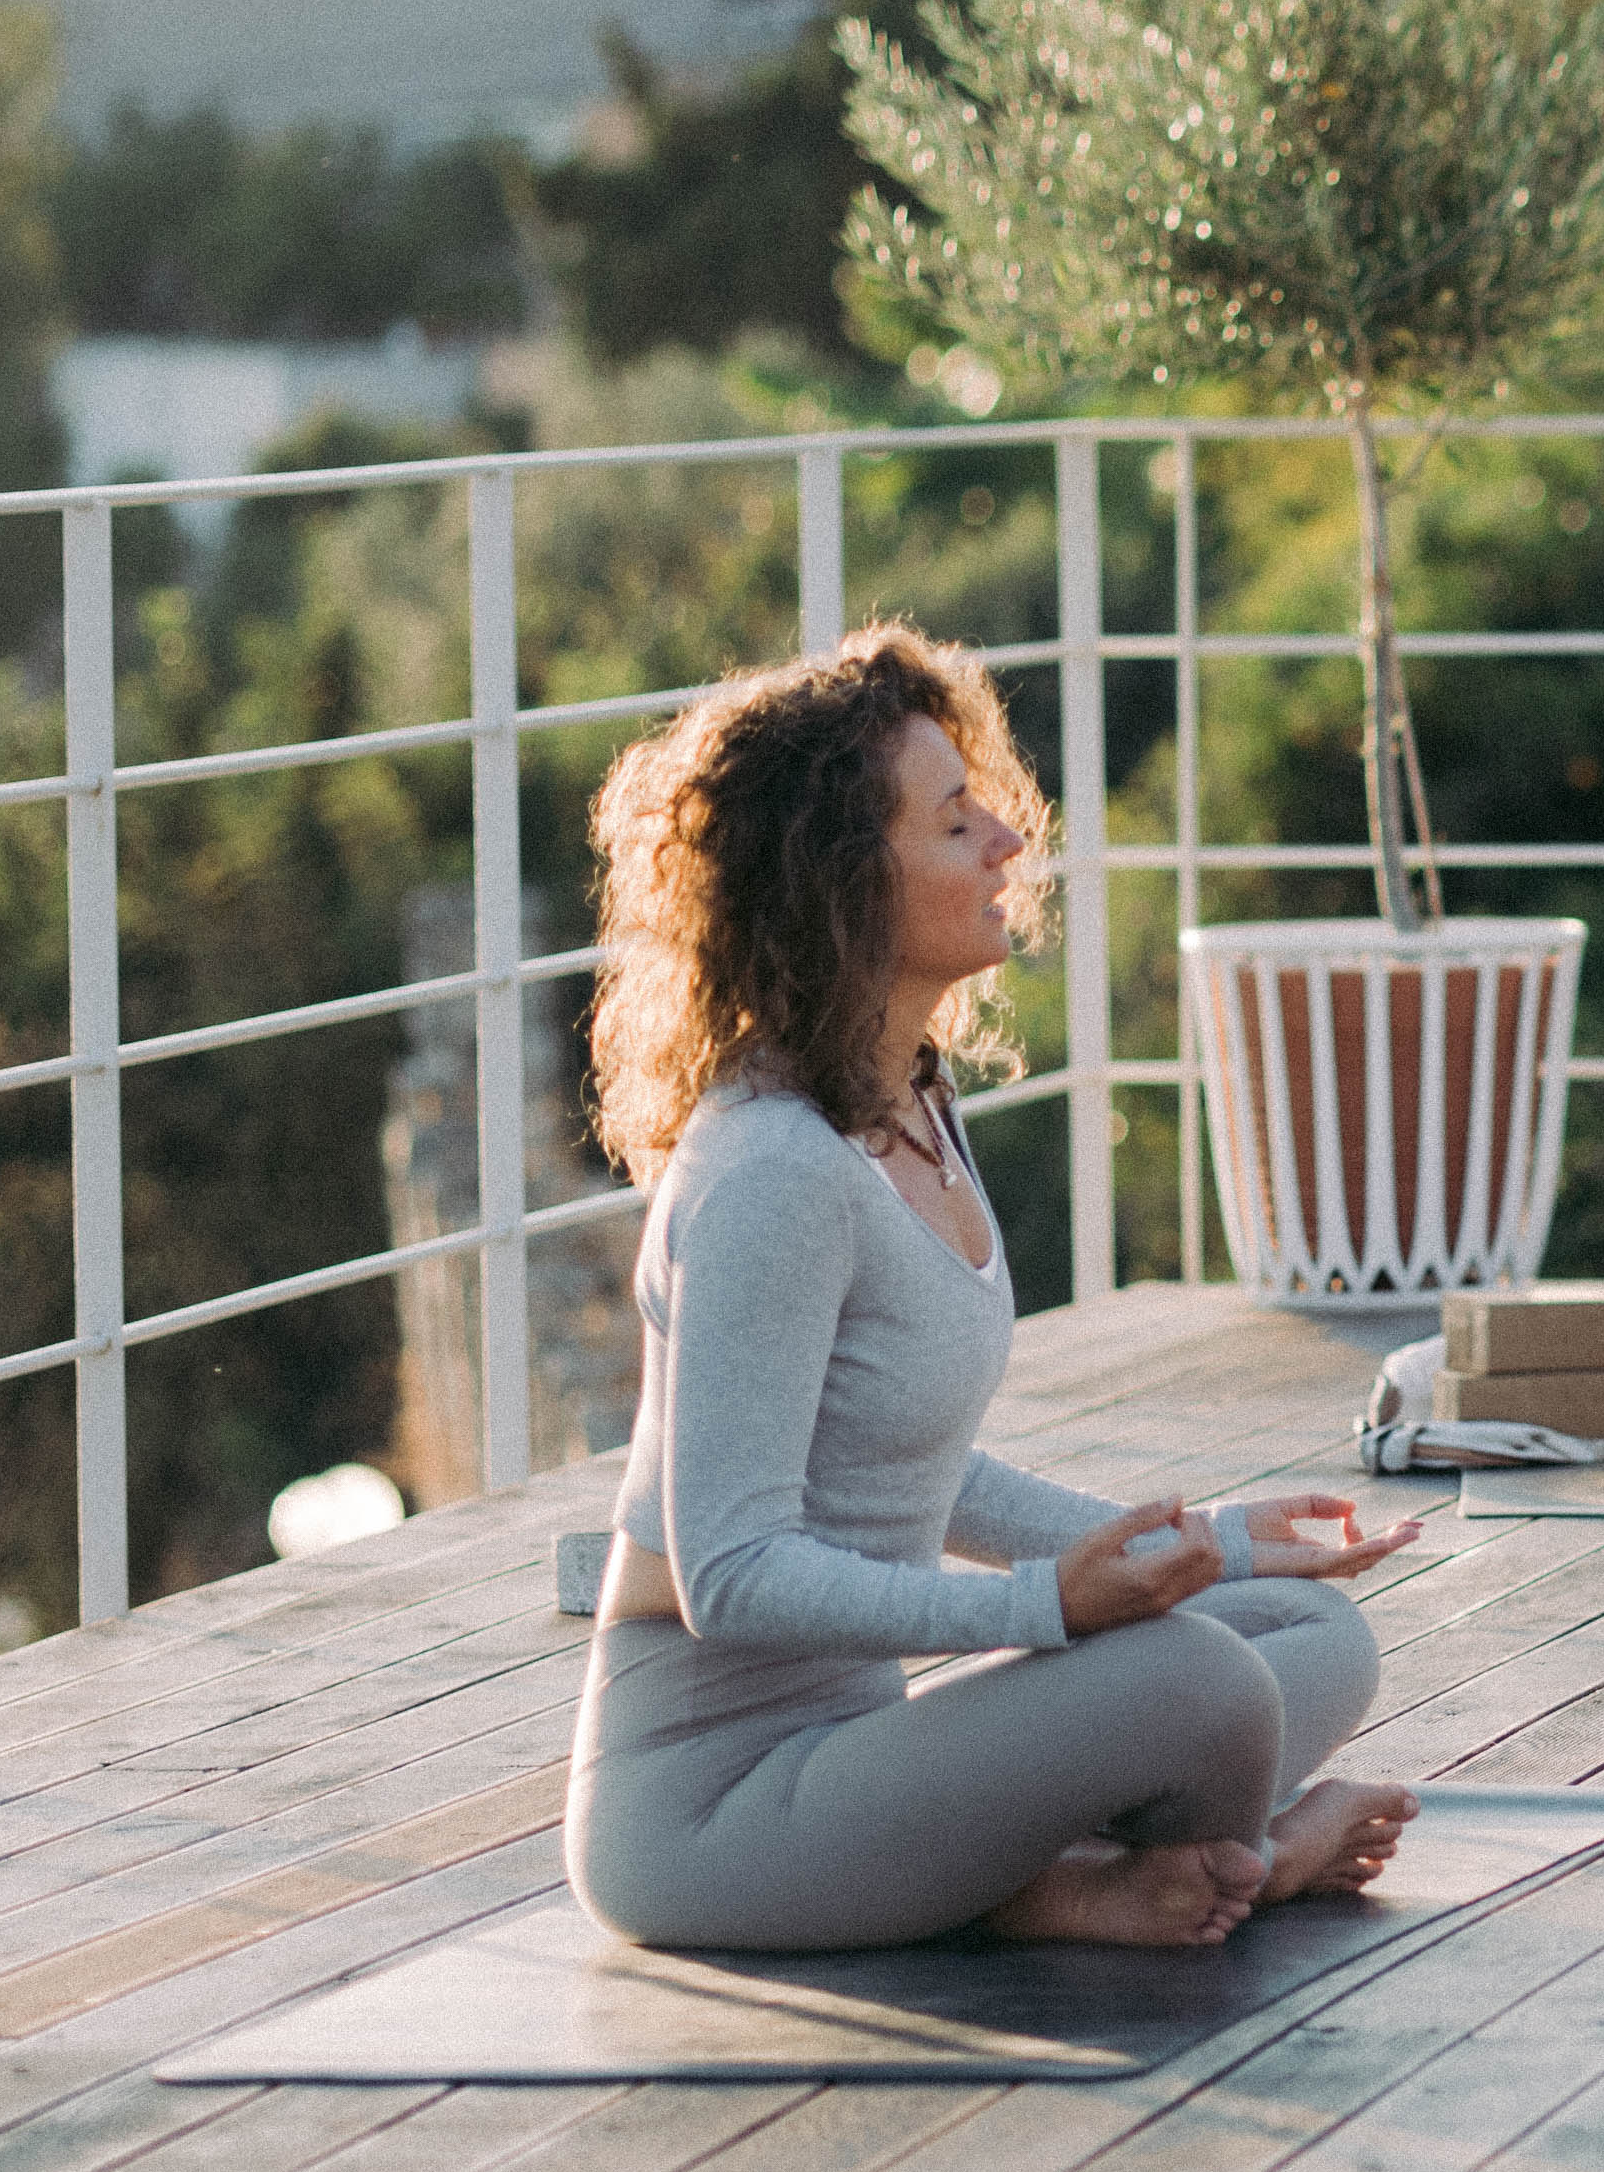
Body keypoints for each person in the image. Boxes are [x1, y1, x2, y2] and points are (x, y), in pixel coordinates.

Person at [575, 628, 1420, 1956]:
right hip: (711, 1820)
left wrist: (1214, 1542)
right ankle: (1199, 1863)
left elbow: (919, 1475)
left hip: (865, 1751)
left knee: (1302, 1626)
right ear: (839, 880)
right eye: (954, 819)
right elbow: (728, 1576)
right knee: (1200, 1680)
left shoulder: (911, 1104)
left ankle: (1082, 1872)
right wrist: (1044, 1611)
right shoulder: (768, 1170)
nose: (1006, 844)